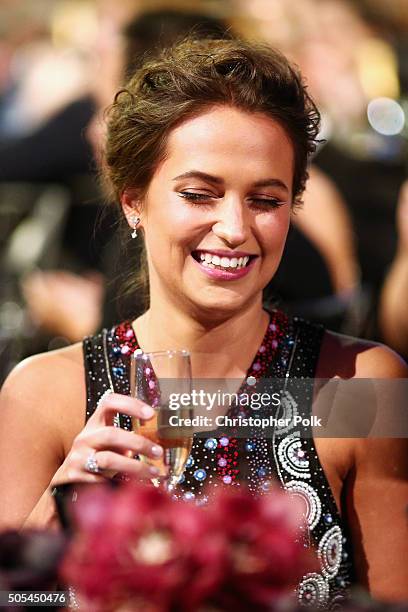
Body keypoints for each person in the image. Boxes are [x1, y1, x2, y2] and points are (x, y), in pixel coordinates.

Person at [0, 37, 407, 607]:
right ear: (134, 200)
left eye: (266, 200)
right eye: (199, 194)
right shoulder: (45, 395)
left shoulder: (356, 386)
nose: (235, 228)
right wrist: (55, 516)